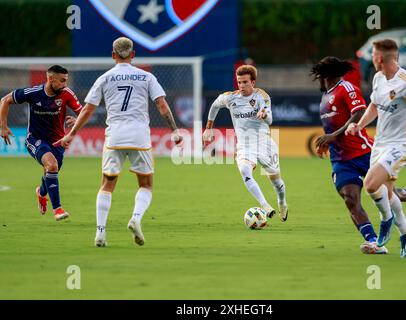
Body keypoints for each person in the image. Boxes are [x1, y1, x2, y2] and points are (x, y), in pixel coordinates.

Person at [54, 37, 183, 247]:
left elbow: (88, 109)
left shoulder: (105, 78)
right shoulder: (146, 76)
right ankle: (136, 218)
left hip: (114, 137)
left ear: (113, 54)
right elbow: (161, 105)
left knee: (107, 184)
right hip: (140, 137)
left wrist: (71, 134)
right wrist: (175, 130)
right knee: (146, 184)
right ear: (133, 55)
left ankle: (100, 233)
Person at [312, 56, 406, 254]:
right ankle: (374, 242)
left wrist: (333, 135)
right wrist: (329, 142)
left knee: (384, 192)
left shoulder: (346, 88)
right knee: (350, 199)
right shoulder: (325, 96)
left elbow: (359, 113)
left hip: (365, 151)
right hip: (340, 160)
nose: (318, 80)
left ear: (326, 75)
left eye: (319, 76)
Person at [345, 39, 406, 258]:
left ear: (381, 58)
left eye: (374, 54)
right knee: (385, 193)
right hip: (380, 145)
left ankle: (386, 223)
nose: (371, 58)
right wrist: (358, 125)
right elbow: (375, 105)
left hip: (401, 146)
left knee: (369, 185)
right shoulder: (378, 78)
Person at [202, 65, 288, 222]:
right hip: (245, 145)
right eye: (239, 82)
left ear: (253, 82)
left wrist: (264, 115)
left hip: (264, 143)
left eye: (245, 82)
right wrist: (208, 128)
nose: (241, 86)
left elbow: (270, 119)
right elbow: (214, 105)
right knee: (244, 170)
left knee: (277, 182)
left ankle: (282, 202)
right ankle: (265, 205)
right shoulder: (230, 98)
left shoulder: (262, 96)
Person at [0, 65, 82, 221]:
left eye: (66, 81)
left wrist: (78, 119)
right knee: (51, 166)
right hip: (35, 139)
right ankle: (57, 209)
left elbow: (83, 111)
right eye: (62, 81)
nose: (65, 85)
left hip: (58, 142)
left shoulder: (66, 94)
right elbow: (5, 100)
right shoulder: (33, 93)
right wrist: (3, 126)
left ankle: (41, 193)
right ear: (51, 79)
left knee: (51, 172)